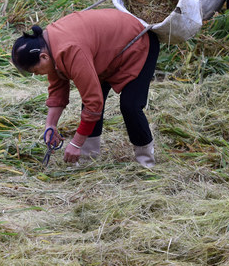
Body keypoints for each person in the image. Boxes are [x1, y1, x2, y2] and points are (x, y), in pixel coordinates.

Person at [10, 9, 160, 168]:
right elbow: (57, 89)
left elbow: (94, 104)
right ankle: (88, 160)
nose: (38, 75)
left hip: (138, 44)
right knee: (90, 98)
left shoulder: (70, 49)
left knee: (130, 105)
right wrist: (50, 125)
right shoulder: (48, 46)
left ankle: (146, 162)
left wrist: (76, 143)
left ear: (43, 57)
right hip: (107, 53)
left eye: (35, 71)